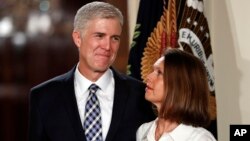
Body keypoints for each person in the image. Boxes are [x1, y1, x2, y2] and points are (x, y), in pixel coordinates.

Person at [28, 1, 155, 141]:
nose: (107, 46)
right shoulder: (44, 97)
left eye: (115, 38)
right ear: (77, 38)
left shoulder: (140, 95)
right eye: (99, 36)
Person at [136, 48, 217, 141]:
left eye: (159, 72)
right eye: (153, 71)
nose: (149, 77)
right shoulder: (143, 131)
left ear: (180, 85)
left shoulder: (199, 138)